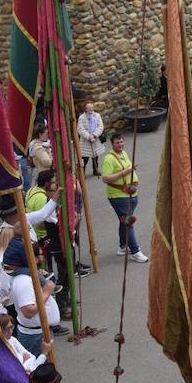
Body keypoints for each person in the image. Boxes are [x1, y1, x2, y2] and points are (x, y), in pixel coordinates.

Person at [7, 237, 63, 353]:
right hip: (35, 336)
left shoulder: (28, 277)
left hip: (39, 332)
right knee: (41, 369)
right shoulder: (23, 281)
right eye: (37, 255)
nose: (40, 258)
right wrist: (47, 292)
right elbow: (28, 311)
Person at [101, 133, 147, 262]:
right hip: (119, 196)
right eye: (117, 142)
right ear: (112, 144)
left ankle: (122, 246)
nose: (120, 144)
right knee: (128, 222)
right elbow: (105, 178)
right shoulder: (109, 159)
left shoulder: (124, 154)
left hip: (131, 194)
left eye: (121, 142)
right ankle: (135, 251)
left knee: (124, 221)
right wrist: (124, 172)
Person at [75, 101, 106, 177]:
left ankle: (95, 170)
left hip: (95, 140)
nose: (91, 109)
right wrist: (89, 136)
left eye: (92, 107)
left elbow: (100, 126)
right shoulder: (82, 117)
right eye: (89, 108)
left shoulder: (97, 116)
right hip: (86, 142)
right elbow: (80, 129)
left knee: (95, 157)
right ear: (85, 109)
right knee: (84, 159)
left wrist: (95, 135)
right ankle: (82, 173)